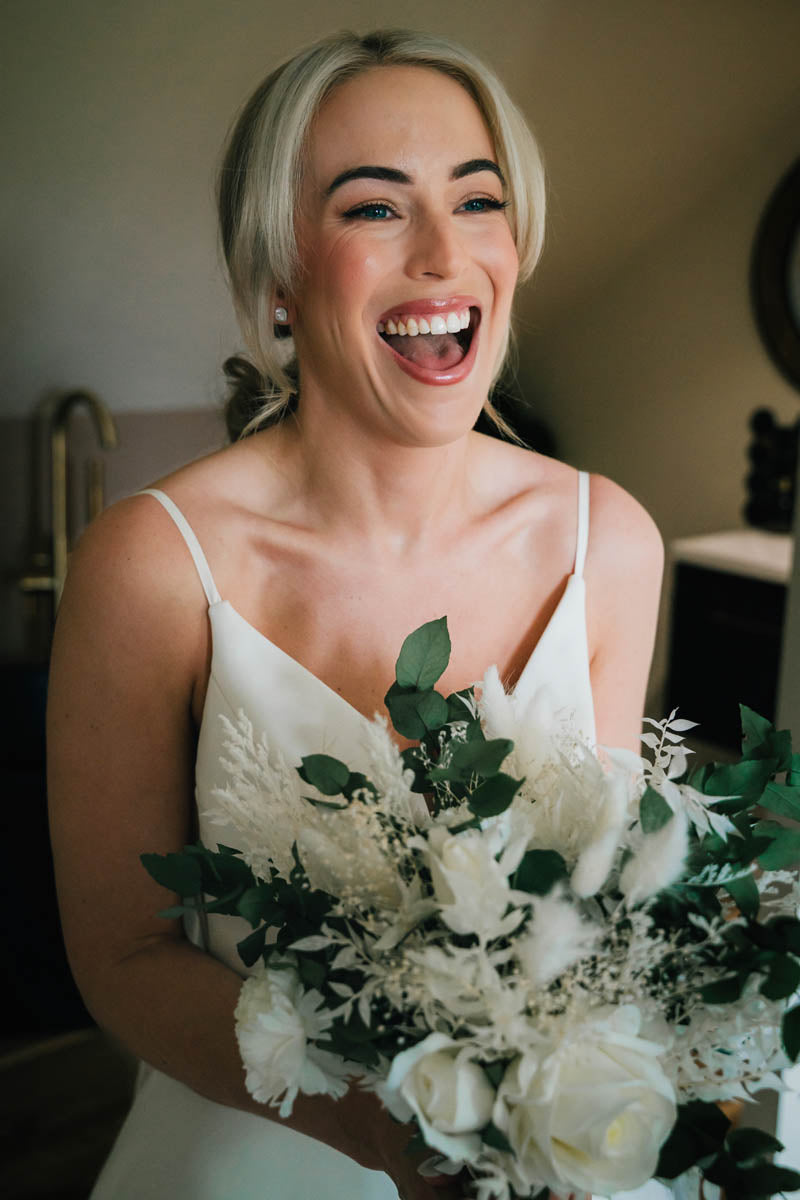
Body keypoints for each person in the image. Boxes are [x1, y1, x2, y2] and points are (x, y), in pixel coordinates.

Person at [47, 28, 663, 1200]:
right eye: (374, 209)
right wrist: (380, 1130)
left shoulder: (608, 543)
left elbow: (603, 905)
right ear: (276, 274)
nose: (442, 254)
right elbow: (121, 954)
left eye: (476, 202)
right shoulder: (151, 566)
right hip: (251, 1155)